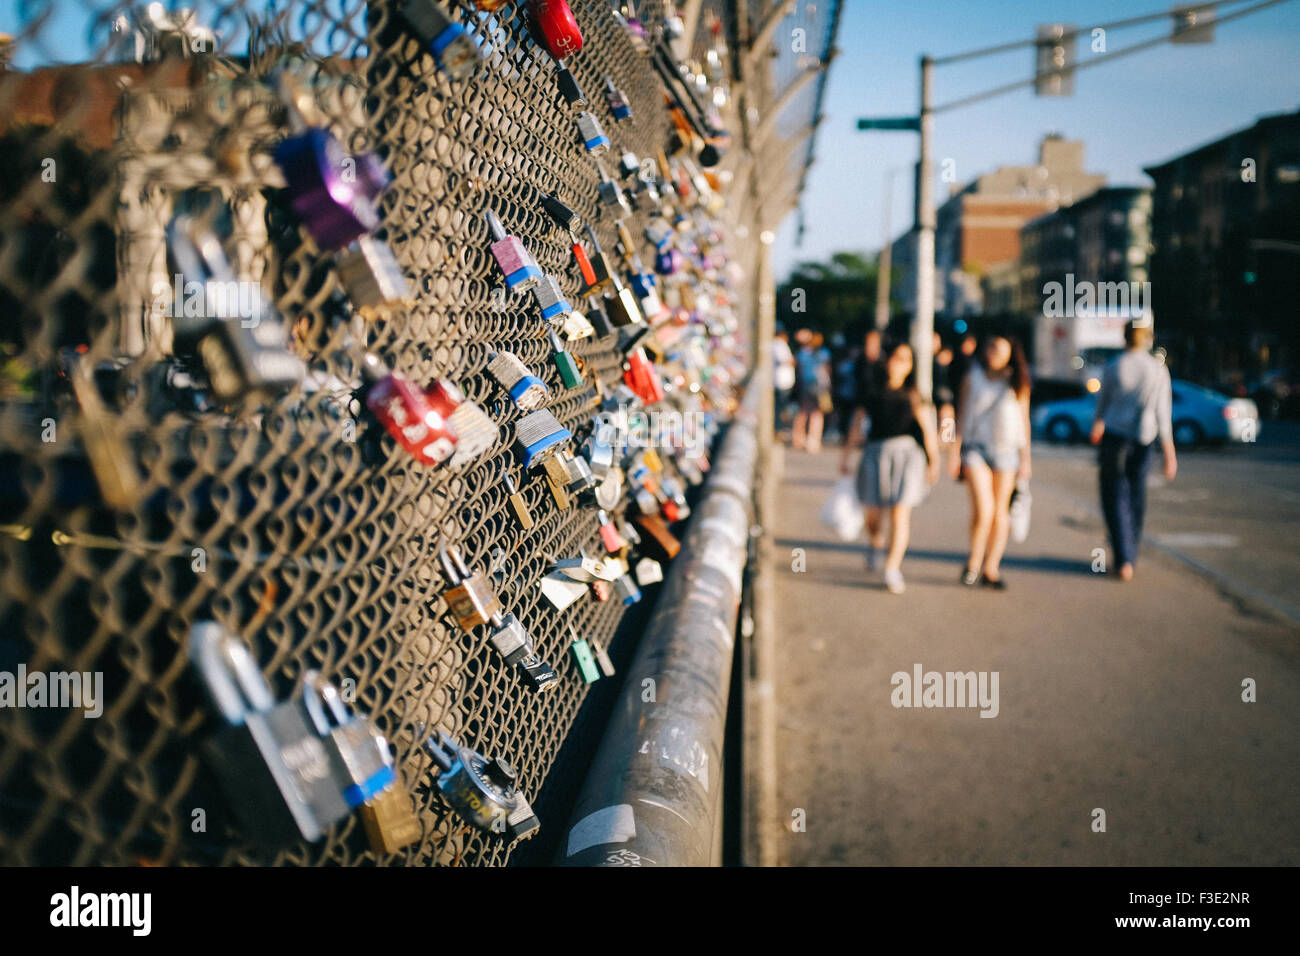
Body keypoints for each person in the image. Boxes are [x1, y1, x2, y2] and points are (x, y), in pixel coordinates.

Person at [841, 341, 940, 594]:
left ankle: (892, 567)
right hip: (875, 453)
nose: (900, 363)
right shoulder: (872, 390)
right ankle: (876, 543)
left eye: (906, 359)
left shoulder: (915, 393)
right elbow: (857, 424)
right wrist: (846, 456)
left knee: (900, 512)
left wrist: (934, 460)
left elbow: (928, 430)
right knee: (873, 515)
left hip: (907, 456)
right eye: (897, 357)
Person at [1089, 320, 1177, 582]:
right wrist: (1169, 452)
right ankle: (1131, 554)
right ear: (1148, 339)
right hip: (1144, 438)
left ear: (1124, 337)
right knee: (1136, 495)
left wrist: (1097, 424)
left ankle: (1123, 558)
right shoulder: (1158, 370)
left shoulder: (1115, 366)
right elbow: (1164, 413)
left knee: (1114, 495)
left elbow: (1103, 403)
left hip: (1115, 438)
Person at [951, 335, 1032, 589]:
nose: (995, 352)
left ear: (1011, 353)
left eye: (1001, 349)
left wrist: (1026, 458)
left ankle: (991, 567)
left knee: (1000, 513)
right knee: (984, 510)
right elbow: (961, 416)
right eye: (992, 347)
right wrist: (955, 452)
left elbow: (1024, 421)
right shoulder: (972, 378)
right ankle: (973, 562)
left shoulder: (1017, 382)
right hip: (976, 448)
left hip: (1007, 451)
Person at [792, 330, 831, 452]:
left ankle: (798, 438)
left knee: (803, 411)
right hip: (820, 385)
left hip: (806, 384)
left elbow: (797, 367)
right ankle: (813, 440)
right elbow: (827, 369)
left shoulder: (803, 353)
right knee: (817, 414)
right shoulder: (824, 353)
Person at [772, 330, 796, 439]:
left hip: (777, 381)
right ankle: (778, 429)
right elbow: (786, 360)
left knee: (778, 407)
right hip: (782, 382)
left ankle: (778, 429)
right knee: (779, 408)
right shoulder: (779, 344)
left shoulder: (772, 344)